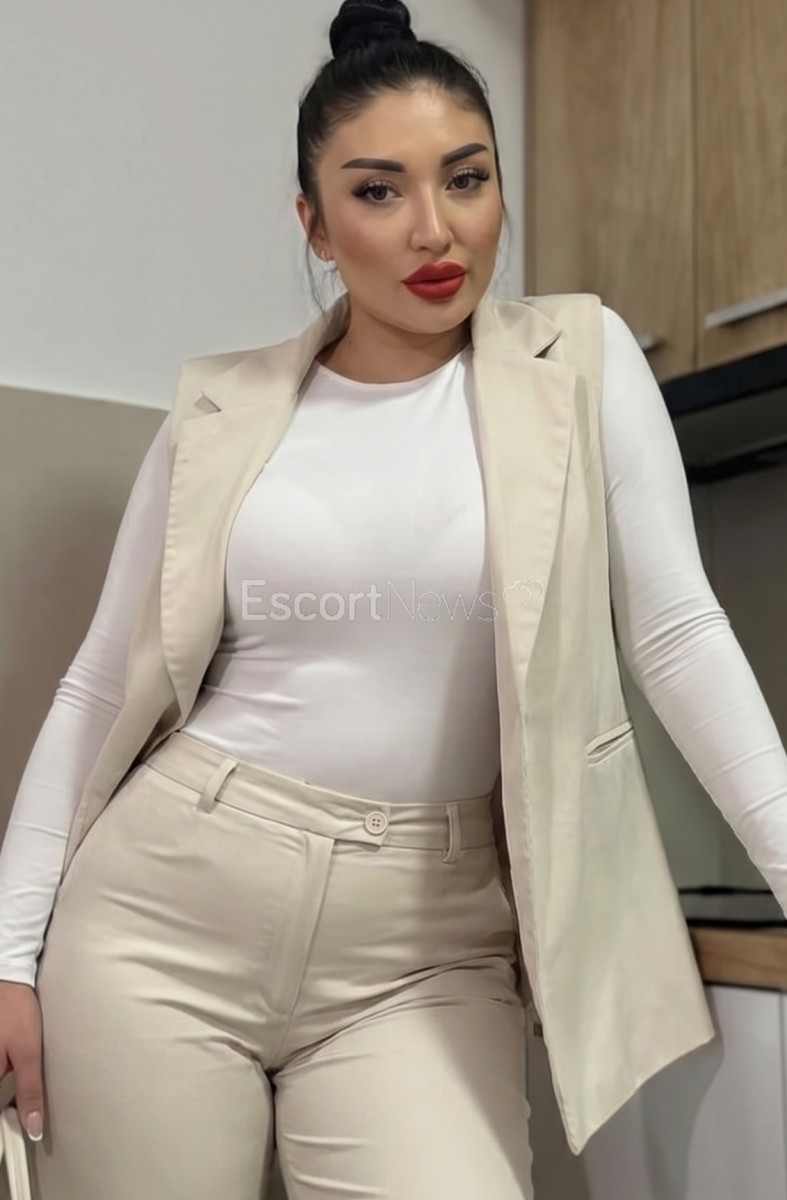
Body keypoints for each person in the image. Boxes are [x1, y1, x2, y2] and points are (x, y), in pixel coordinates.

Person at [1, 0, 787, 1196]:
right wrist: (10, 951)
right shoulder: (217, 413)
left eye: (465, 178)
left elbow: (677, 635)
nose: (436, 229)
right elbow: (101, 684)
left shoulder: (579, 360)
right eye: (378, 192)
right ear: (314, 224)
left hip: (425, 948)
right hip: (163, 917)